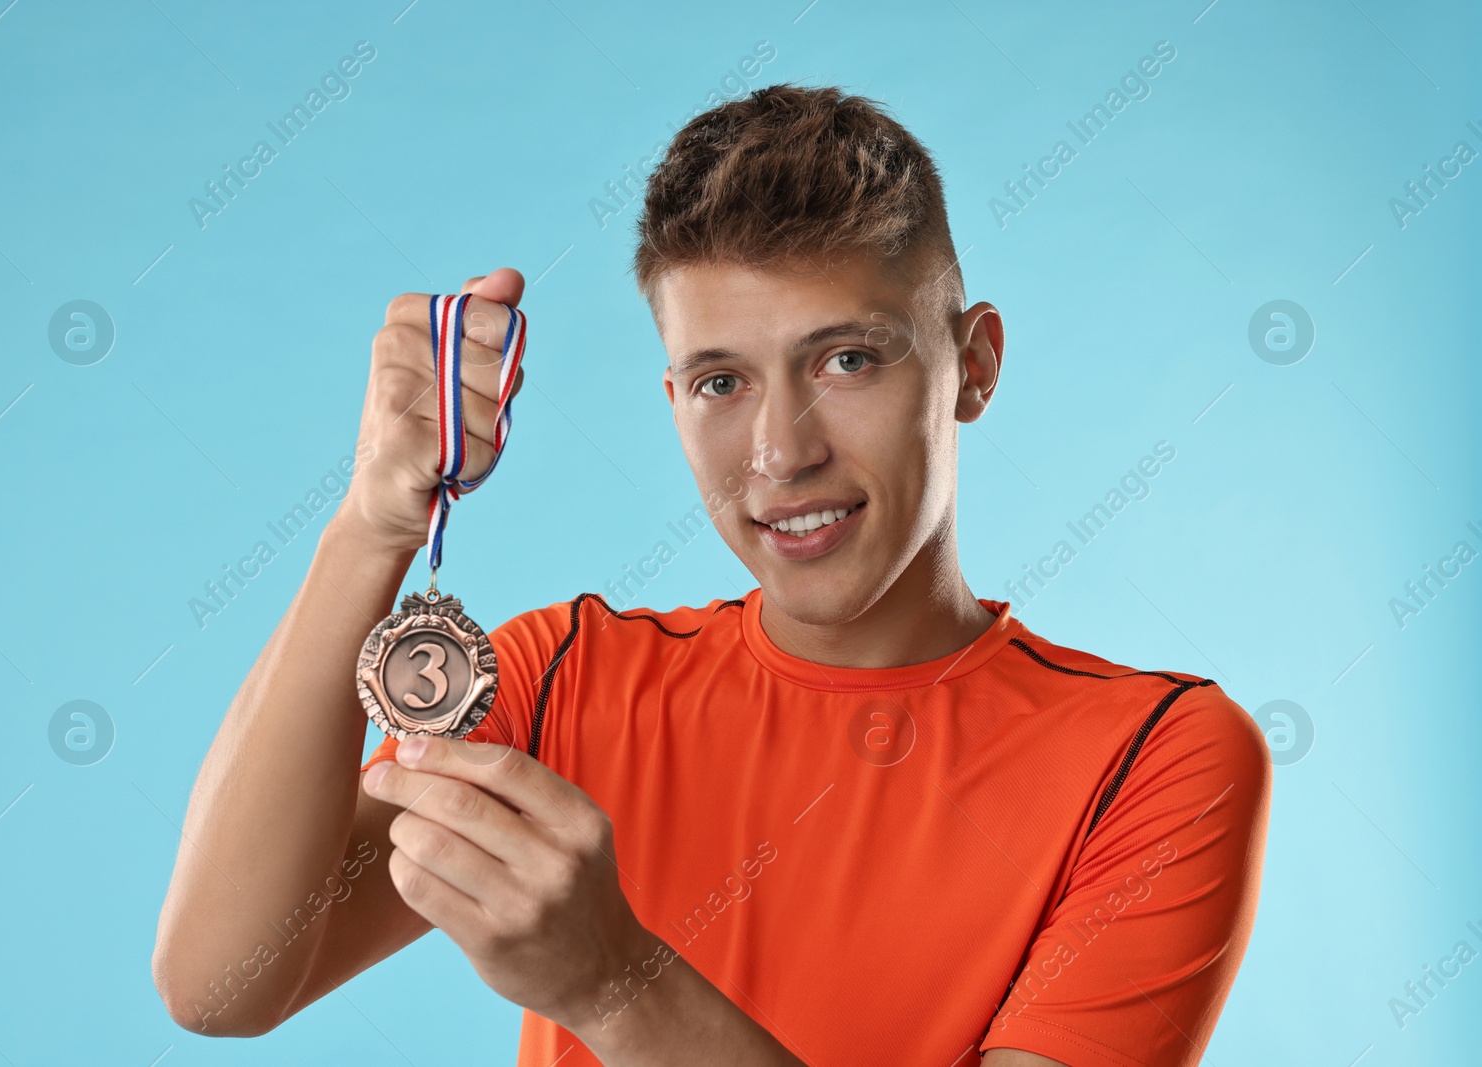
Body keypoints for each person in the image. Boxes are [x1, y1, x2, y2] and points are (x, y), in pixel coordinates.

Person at [151, 84, 1271, 1067]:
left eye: (846, 359)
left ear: (969, 364)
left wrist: (612, 985)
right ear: (674, 399)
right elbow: (219, 983)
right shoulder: (562, 680)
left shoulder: (1156, 761)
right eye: (721, 382)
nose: (782, 453)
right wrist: (369, 525)